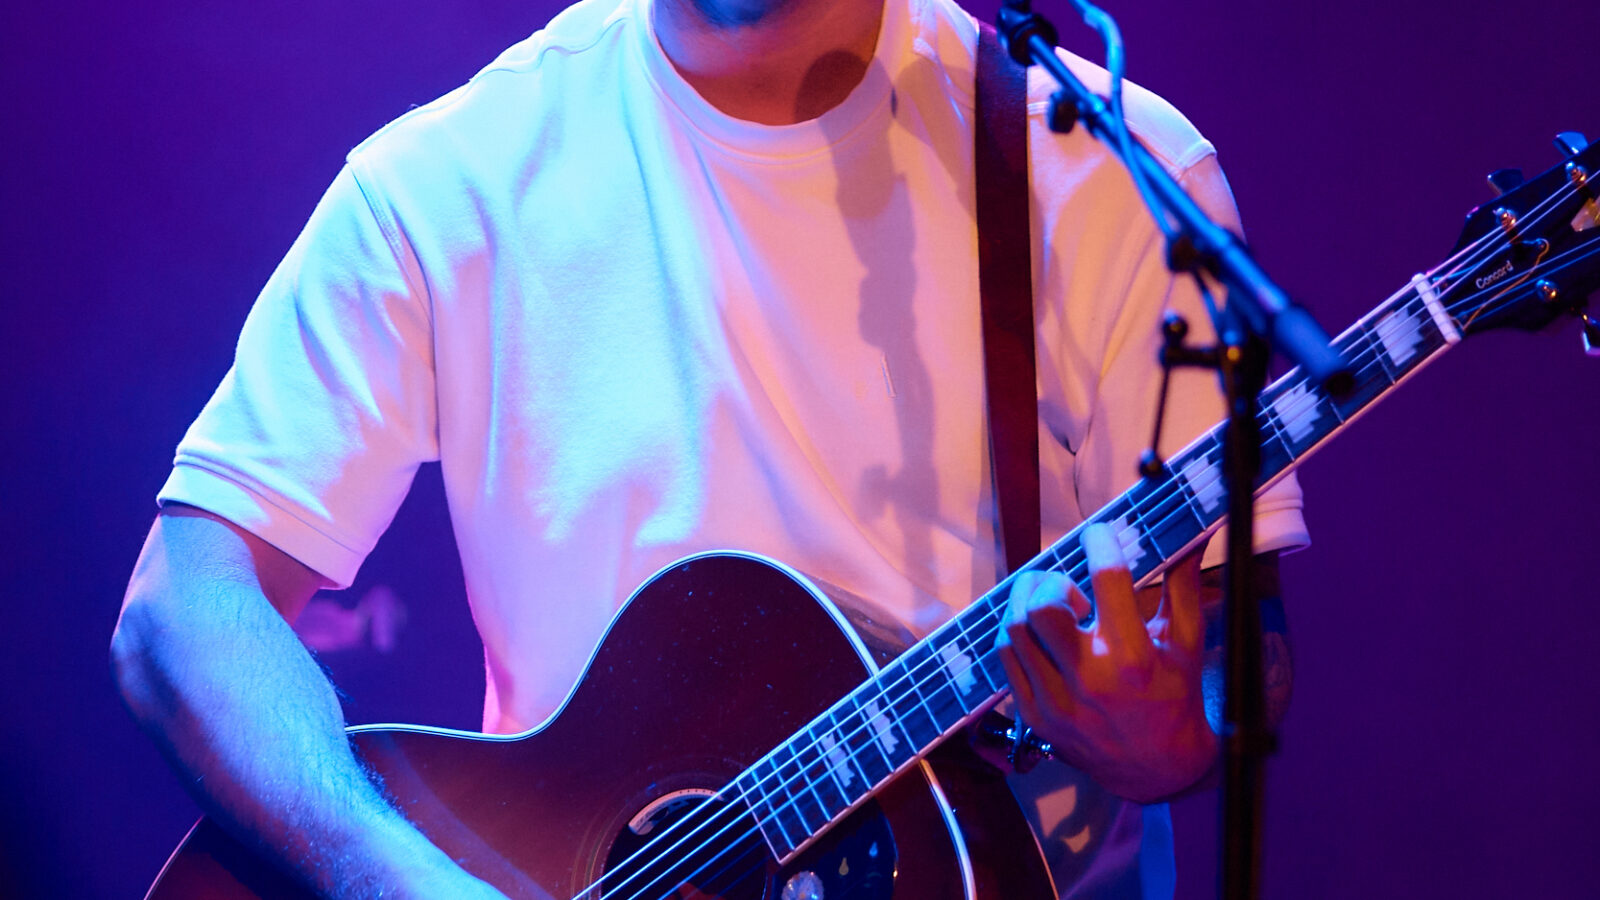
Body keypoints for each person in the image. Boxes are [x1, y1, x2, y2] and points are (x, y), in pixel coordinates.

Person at [112, 0, 1308, 895]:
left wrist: (1172, 738)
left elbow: (1230, 648)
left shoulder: (1102, 171)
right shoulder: (447, 181)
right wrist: (392, 877)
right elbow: (185, 606)